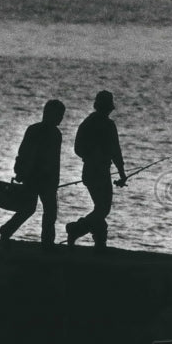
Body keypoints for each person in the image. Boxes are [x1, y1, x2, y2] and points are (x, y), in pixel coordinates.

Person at [0, 99, 65, 248]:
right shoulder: (50, 133)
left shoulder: (43, 131)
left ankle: (8, 230)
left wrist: (21, 171)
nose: (61, 118)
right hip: (39, 178)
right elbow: (29, 154)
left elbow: (25, 153)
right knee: (42, 211)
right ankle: (46, 243)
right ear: (50, 114)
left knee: (36, 210)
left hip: (39, 178)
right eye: (59, 115)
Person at [66, 90, 127, 250]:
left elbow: (77, 148)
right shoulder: (108, 125)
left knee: (100, 208)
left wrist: (89, 157)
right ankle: (76, 229)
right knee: (103, 209)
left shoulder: (87, 123)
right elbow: (116, 152)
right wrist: (122, 174)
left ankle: (100, 243)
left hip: (88, 171)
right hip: (101, 172)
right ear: (109, 108)